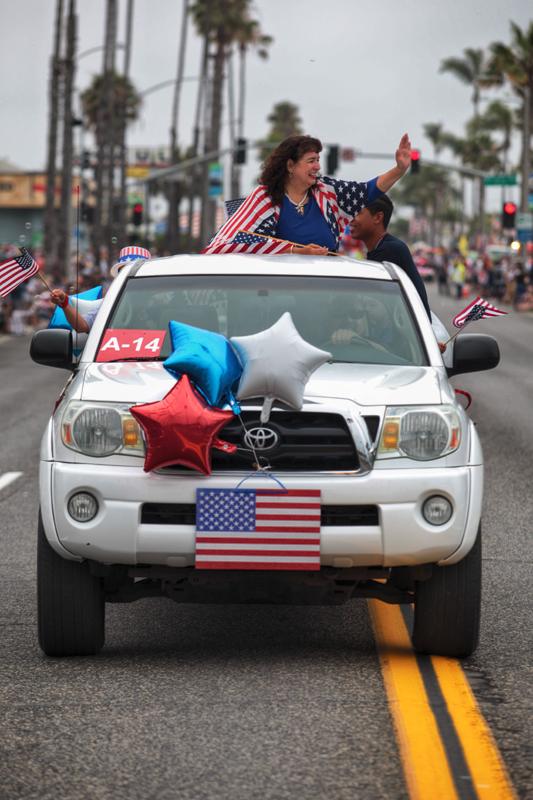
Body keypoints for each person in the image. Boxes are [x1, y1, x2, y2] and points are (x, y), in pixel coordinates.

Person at [202, 133, 412, 255]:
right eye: (311, 161)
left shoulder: (327, 192)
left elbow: (367, 191)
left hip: (326, 296)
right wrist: (295, 250)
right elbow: (226, 243)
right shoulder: (264, 197)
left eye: (318, 161)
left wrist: (399, 170)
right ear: (290, 166)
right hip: (273, 296)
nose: (317, 167)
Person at [349, 195, 447, 352]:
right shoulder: (381, 249)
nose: (351, 219)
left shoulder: (390, 250)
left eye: (358, 213)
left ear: (378, 217)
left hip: (397, 346)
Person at [49, 246, 151, 333]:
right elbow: (82, 326)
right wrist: (65, 303)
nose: (129, 277)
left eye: (136, 272)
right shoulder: (111, 303)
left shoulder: (161, 302)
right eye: (124, 272)